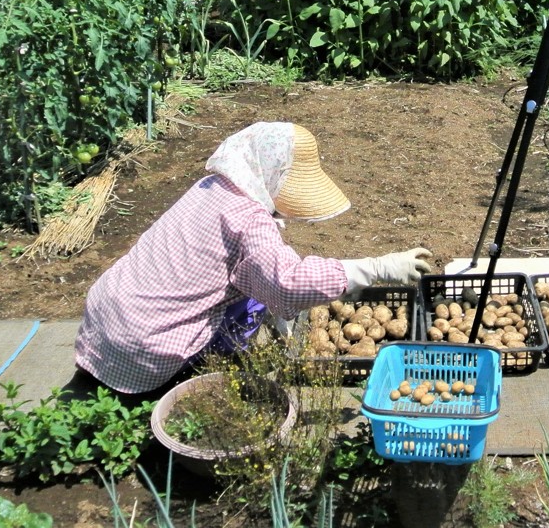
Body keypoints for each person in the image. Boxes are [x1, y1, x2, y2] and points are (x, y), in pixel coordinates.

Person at [73, 122, 432, 396]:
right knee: (253, 305)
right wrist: (377, 267)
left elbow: (258, 270)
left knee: (254, 295)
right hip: (144, 344)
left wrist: (274, 303)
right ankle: (177, 383)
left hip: (106, 311)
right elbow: (287, 283)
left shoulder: (212, 186)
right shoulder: (249, 221)